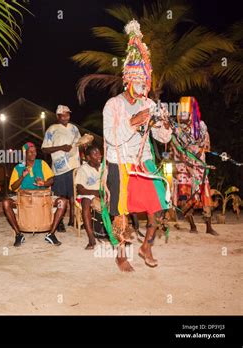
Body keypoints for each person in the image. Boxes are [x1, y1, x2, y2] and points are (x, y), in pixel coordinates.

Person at [102, 20, 172, 272]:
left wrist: (164, 125)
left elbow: (163, 139)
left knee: (159, 207)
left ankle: (147, 246)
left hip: (144, 162)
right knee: (120, 211)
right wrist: (133, 121)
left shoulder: (150, 104)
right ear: (128, 80)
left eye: (146, 82)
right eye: (139, 81)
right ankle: (121, 254)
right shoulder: (113, 105)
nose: (143, 87)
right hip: (120, 162)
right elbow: (110, 138)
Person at [2, 142, 68, 247]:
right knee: (6, 203)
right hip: (22, 199)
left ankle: (51, 234)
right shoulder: (18, 167)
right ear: (25, 154)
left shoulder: (41, 163)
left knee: (62, 202)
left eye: (35, 151)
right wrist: (22, 177)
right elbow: (13, 187)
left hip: (44, 198)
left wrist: (44, 183)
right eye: (30, 152)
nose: (34, 154)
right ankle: (18, 234)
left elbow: (51, 179)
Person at [171, 96, 217, 235]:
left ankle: (209, 227)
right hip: (183, 167)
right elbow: (175, 148)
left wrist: (199, 152)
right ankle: (192, 226)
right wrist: (185, 160)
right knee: (185, 196)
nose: (182, 115)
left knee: (205, 195)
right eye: (181, 112)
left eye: (185, 112)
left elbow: (206, 145)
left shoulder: (201, 126)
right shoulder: (176, 129)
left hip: (199, 166)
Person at [41, 105, 81, 231]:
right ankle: (59, 222)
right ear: (58, 116)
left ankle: (73, 219)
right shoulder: (52, 129)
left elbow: (79, 143)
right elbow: (44, 148)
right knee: (60, 195)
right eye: (63, 115)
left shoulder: (74, 128)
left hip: (74, 166)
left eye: (68, 114)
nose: (66, 117)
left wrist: (85, 143)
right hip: (59, 169)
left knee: (73, 194)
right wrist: (60, 147)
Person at [76, 144, 103, 249]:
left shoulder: (104, 167)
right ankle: (91, 238)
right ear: (88, 157)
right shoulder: (83, 169)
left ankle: (116, 233)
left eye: (99, 153)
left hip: (102, 193)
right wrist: (96, 192)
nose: (99, 156)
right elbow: (80, 189)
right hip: (87, 193)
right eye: (95, 154)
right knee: (86, 203)